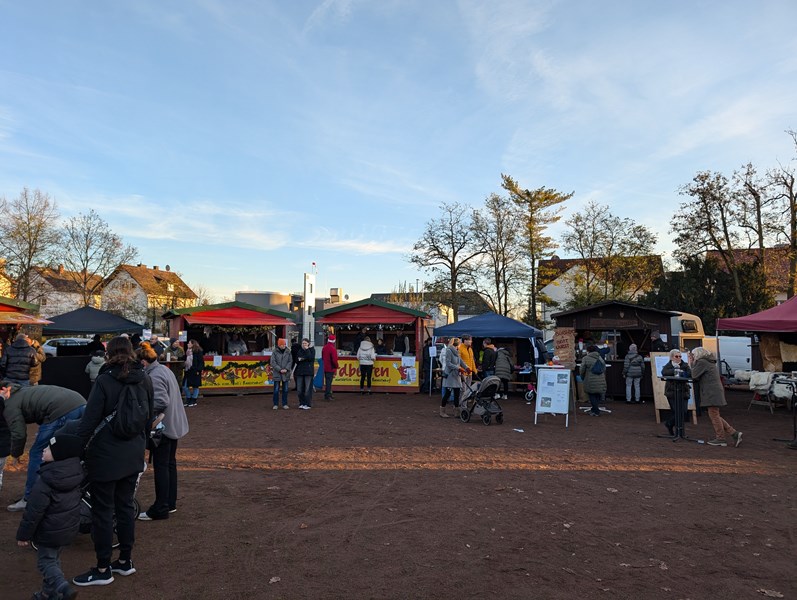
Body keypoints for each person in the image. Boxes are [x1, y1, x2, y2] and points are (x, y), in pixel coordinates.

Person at [72, 335, 153, 587]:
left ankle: (103, 567)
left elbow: (89, 419)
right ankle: (125, 561)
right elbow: (148, 416)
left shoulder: (105, 380)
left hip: (106, 455)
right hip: (133, 452)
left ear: (108, 353)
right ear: (131, 352)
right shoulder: (145, 378)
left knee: (103, 511)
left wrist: (75, 448)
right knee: (125, 507)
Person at [16, 432, 84, 600]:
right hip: (68, 528)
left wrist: (24, 535)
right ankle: (48, 594)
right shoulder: (75, 474)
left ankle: (62, 587)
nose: (44, 450)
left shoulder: (46, 481)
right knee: (54, 559)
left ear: (58, 456)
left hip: (49, 531)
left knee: (45, 561)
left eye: (48, 449)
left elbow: (33, 511)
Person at [2, 384, 86, 512]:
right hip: (79, 403)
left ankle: (29, 498)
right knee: (64, 453)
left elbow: (18, 433)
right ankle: (64, 494)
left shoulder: (9, 404)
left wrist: (16, 454)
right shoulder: (20, 390)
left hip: (61, 410)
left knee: (38, 452)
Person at [136, 342, 189, 520]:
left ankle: (160, 507)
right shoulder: (164, 370)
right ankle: (169, 503)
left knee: (162, 467)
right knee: (169, 465)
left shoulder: (154, 375)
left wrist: (142, 411)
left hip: (163, 428)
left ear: (143, 362)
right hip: (173, 425)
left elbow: (160, 401)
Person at [690, 347, 742, 447]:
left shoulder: (702, 362)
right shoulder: (709, 361)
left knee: (714, 415)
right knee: (715, 414)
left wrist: (692, 363)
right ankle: (733, 433)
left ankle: (721, 438)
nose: (692, 356)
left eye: (693, 354)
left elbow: (694, 374)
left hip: (711, 392)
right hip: (714, 391)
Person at [661, 349, 691, 436]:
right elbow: (664, 372)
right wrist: (675, 371)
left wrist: (682, 373)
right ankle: (676, 430)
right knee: (676, 411)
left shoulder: (684, 365)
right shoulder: (668, 365)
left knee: (684, 411)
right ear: (672, 357)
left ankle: (670, 424)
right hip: (672, 391)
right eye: (676, 356)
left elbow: (689, 373)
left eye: (680, 356)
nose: (679, 358)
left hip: (683, 391)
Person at [440, 338, 465, 418]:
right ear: (458, 344)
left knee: (457, 394)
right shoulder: (449, 351)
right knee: (447, 394)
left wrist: (466, 368)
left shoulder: (456, 351)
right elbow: (448, 363)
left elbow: (460, 361)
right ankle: (442, 411)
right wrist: (458, 368)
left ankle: (456, 411)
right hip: (450, 376)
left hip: (456, 375)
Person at [580, 345, 606, 417]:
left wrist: (582, 377)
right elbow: (604, 368)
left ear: (588, 351)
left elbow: (582, 369)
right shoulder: (600, 357)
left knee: (591, 395)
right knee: (597, 394)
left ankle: (596, 411)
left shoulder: (585, 358)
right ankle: (594, 409)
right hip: (600, 379)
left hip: (590, 379)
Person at [270, 338, 292, 409]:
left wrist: (286, 369)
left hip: (286, 373)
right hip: (277, 373)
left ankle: (284, 404)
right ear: (279, 345)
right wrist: (279, 369)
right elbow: (273, 362)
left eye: (284, 344)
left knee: (285, 389)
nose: (284, 346)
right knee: (276, 390)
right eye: (282, 344)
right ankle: (275, 404)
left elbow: (290, 361)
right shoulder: (274, 352)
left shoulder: (288, 352)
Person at [295, 338, 315, 410]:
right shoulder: (299, 350)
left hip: (308, 372)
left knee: (307, 389)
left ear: (308, 344)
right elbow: (297, 360)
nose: (304, 345)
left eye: (305, 343)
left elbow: (310, 358)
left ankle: (308, 403)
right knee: (299, 389)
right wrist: (303, 358)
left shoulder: (312, 350)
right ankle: (301, 403)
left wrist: (306, 351)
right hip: (300, 372)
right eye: (303, 343)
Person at [184, 340, 204, 407]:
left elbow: (201, 362)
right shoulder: (187, 351)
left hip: (195, 370)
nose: (187, 344)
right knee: (185, 386)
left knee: (195, 386)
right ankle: (189, 398)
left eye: (189, 343)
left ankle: (193, 400)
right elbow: (185, 359)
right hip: (188, 370)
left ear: (193, 344)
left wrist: (198, 370)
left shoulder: (198, 352)